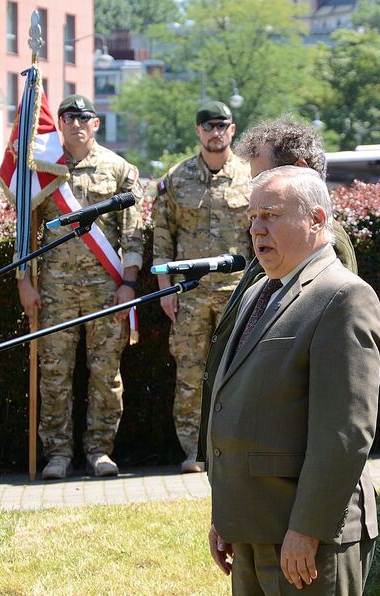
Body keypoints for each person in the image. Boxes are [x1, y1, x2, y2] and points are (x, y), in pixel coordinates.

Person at [207, 166, 380, 594]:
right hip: (251, 528)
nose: (257, 229)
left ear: (317, 220)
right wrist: (225, 517)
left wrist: (307, 528)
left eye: (271, 215)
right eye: (253, 217)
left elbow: (345, 431)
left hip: (307, 541)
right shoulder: (258, 292)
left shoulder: (343, 296)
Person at [197, 115, 358, 462]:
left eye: (262, 179)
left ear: (300, 171)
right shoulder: (282, 242)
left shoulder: (322, 247)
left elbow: (333, 415)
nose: (255, 193)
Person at [17, 95, 142, 480]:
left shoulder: (119, 169)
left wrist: (129, 283)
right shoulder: (43, 169)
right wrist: (24, 282)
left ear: (96, 123)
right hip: (54, 291)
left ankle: (100, 451)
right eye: (68, 117)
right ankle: (57, 454)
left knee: (105, 374)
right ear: (59, 123)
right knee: (55, 374)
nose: (76, 124)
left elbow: (132, 232)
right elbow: (26, 231)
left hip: (106, 289)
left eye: (83, 117)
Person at [152, 100, 253, 473]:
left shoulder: (250, 176)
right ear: (198, 131)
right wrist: (165, 287)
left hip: (237, 293)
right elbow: (162, 235)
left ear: (232, 129)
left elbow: (260, 236)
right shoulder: (176, 178)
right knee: (191, 373)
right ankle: (194, 452)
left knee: (238, 371)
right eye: (208, 126)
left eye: (221, 126)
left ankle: (233, 449)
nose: (215, 133)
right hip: (189, 294)